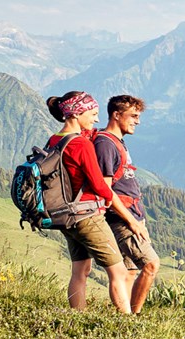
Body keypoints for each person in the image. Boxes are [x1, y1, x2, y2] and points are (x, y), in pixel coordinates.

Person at [44, 91, 132, 314]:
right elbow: (100, 185)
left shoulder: (55, 139)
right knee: (119, 271)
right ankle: (128, 324)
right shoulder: (81, 144)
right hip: (86, 215)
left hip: (65, 215)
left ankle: (78, 317)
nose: (96, 119)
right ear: (76, 113)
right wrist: (129, 217)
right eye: (92, 114)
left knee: (80, 270)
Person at [95, 95, 160, 314]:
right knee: (151, 265)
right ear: (116, 114)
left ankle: (125, 318)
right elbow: (105, 190)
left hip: (133, 214)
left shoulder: (117, 142)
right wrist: (131, 221)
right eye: (133, 116)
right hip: (122, 218)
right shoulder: (105, 144)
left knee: (130, 271)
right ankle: (136, 316)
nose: (137, 121)